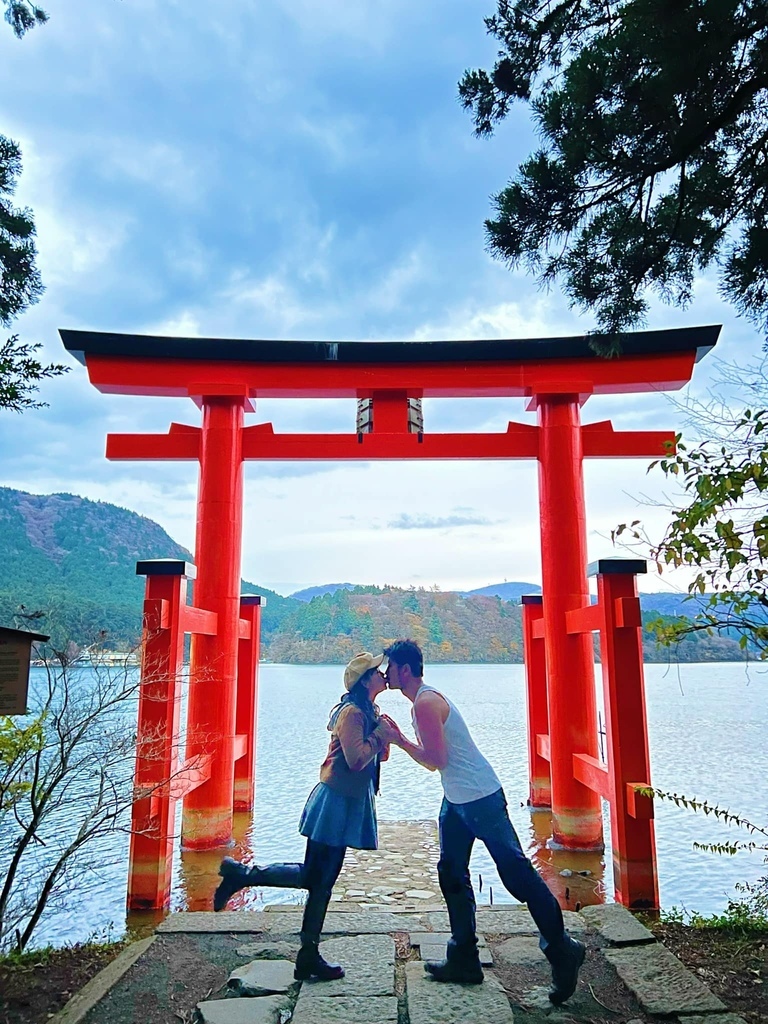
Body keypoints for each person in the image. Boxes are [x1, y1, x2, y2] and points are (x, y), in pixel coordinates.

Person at [383, 638, 585, 1005]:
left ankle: (562, 948)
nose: (386, 673)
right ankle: (463, 958)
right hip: (458, 800)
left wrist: (397, 740)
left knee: (516, 874)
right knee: (451, 873)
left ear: (405, 670)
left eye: (390, 667)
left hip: (481, 797)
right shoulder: (423, 701)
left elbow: (436, 760)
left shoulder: (426, 703)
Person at [213, 651, 398, 981]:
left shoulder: (369, 711)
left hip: (348, 800)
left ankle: (245, 878)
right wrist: (380, 735)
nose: (382, 673)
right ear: (365, 680)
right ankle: (302, 949)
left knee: (318, 879)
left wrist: (385, 736)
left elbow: (376, 758)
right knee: (320, 880)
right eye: (376, 670)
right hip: (335, 801)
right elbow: (356, 760)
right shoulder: (353, 713)